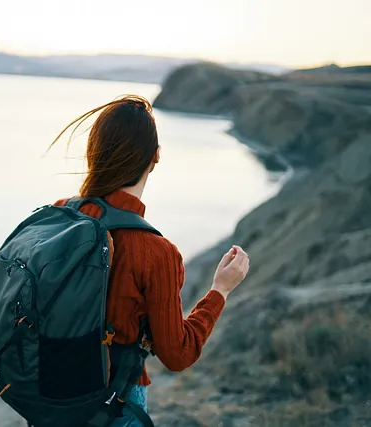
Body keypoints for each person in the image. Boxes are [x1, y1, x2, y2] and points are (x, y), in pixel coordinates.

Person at [48, 95, 250, 427]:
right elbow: (177, 354)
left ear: (93, 153)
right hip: (115, 403)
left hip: (51, 394)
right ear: (155, 157)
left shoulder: (60, 213)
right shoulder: (156, 252)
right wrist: (220, 290)